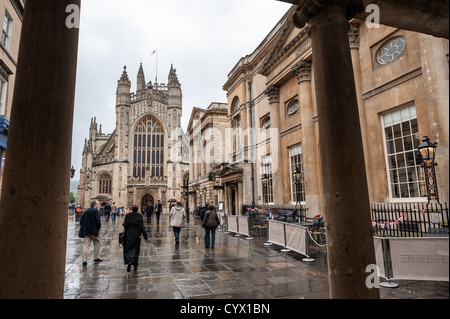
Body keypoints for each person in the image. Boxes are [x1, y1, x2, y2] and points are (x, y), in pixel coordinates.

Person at [122, 204, 148, 272]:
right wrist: (145, 236)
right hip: (137, 235)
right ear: (137, 209)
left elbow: (125, 225)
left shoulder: (127, 216)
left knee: (128, 248)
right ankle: (135, 264)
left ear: (131, 209)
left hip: (129, 234)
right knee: (136, 249)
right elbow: (142, 227)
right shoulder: (139, 216)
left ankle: (129, 261)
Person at [78, 200, 103, 266]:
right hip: (94, 231)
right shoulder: (96, 211)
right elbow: (98, 221)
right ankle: (96, 258)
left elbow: (81, 221)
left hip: (87, 231)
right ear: (95, 205)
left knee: (85, 245)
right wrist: (98, 228)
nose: (98, 205)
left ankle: (84, 261)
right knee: (97, 243)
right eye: (98, 204)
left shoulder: (86, 211)